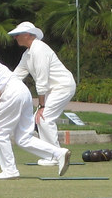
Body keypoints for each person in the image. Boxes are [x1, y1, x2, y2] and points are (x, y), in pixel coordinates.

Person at [0, 33, 72, 179]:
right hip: (22, 93)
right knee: (23, 138)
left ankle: (10, 170)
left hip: (12, 94)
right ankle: (59, 153)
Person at [8, 22, 77, 162]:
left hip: (63, 86)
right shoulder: (27, 54)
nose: (15, 38)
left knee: (44, 117)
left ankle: (56, 156)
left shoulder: (39, 49)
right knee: (41, 119)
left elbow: (42, 79)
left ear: (28, 35)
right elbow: (15, 77)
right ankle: (53, 154)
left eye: (17, 35)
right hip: (54, 89)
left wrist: (42, 106)